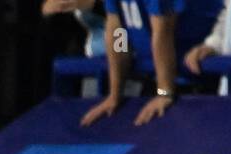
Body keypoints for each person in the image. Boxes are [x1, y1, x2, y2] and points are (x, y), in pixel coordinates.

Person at [82, 0, 222, 126]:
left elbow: (163, 33)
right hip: (160, 81)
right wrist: (114, 94)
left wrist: (163, 93)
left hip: (199, 80)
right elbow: (119, 32)